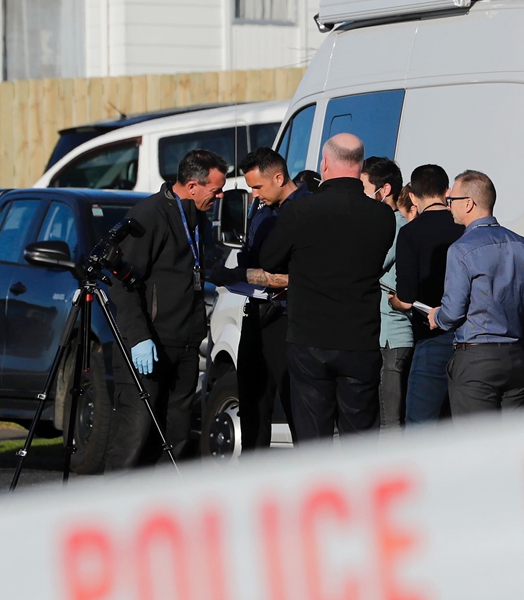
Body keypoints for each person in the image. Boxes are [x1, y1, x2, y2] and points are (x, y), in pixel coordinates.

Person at [259, 134, 396, 441]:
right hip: (360, 339)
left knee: (312, 440)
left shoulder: (301, 212)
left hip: (310, 338)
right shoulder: (382, 216)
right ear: (360, 165)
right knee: (360, 441)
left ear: (325, 163)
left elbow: (270, 259)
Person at [106, 149, 228, 470]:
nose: (220, 195)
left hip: (185, 345)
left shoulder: (197, 216)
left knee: (174, 440)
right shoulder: (149, 216)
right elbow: (122, 282)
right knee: (135, 436)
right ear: (192, 186)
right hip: (149, 343)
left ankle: (160, 511)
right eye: (215, 190)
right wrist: (138, 338)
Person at [209, 148, 311, 451]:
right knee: (252, 402)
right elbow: (254, 257)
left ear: (278, 177)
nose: (253, 195)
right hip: (256, 313)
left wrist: (238, 274)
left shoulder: (307, 209)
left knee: (299, 410)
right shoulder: (263, 210)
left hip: (292, 319)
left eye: (257, 187)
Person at [429, 170, 524, 416]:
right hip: (516, 358)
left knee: (476, 446)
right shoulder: (523, 246)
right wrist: (522, 343)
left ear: (469, 204)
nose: (449, 206)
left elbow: (452, 312)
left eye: (452, 201)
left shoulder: (461, 249)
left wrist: (436, 317)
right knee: (509, 446)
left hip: (476, 359)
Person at [390, 164, 463, 424]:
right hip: (470, 337)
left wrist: (394, 301)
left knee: (422, 423)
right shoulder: (464, 227)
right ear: (447, 191)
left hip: (431, 336)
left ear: (412, 196)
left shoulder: (410, 233)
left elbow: (406, 297)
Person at [362, 156, 413, 430]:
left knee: (389, 422)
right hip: (387, 334)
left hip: (391, 335)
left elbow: (369, 264)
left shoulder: (394, 225)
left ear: (385, 190)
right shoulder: (394, 223)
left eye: (364, 188)